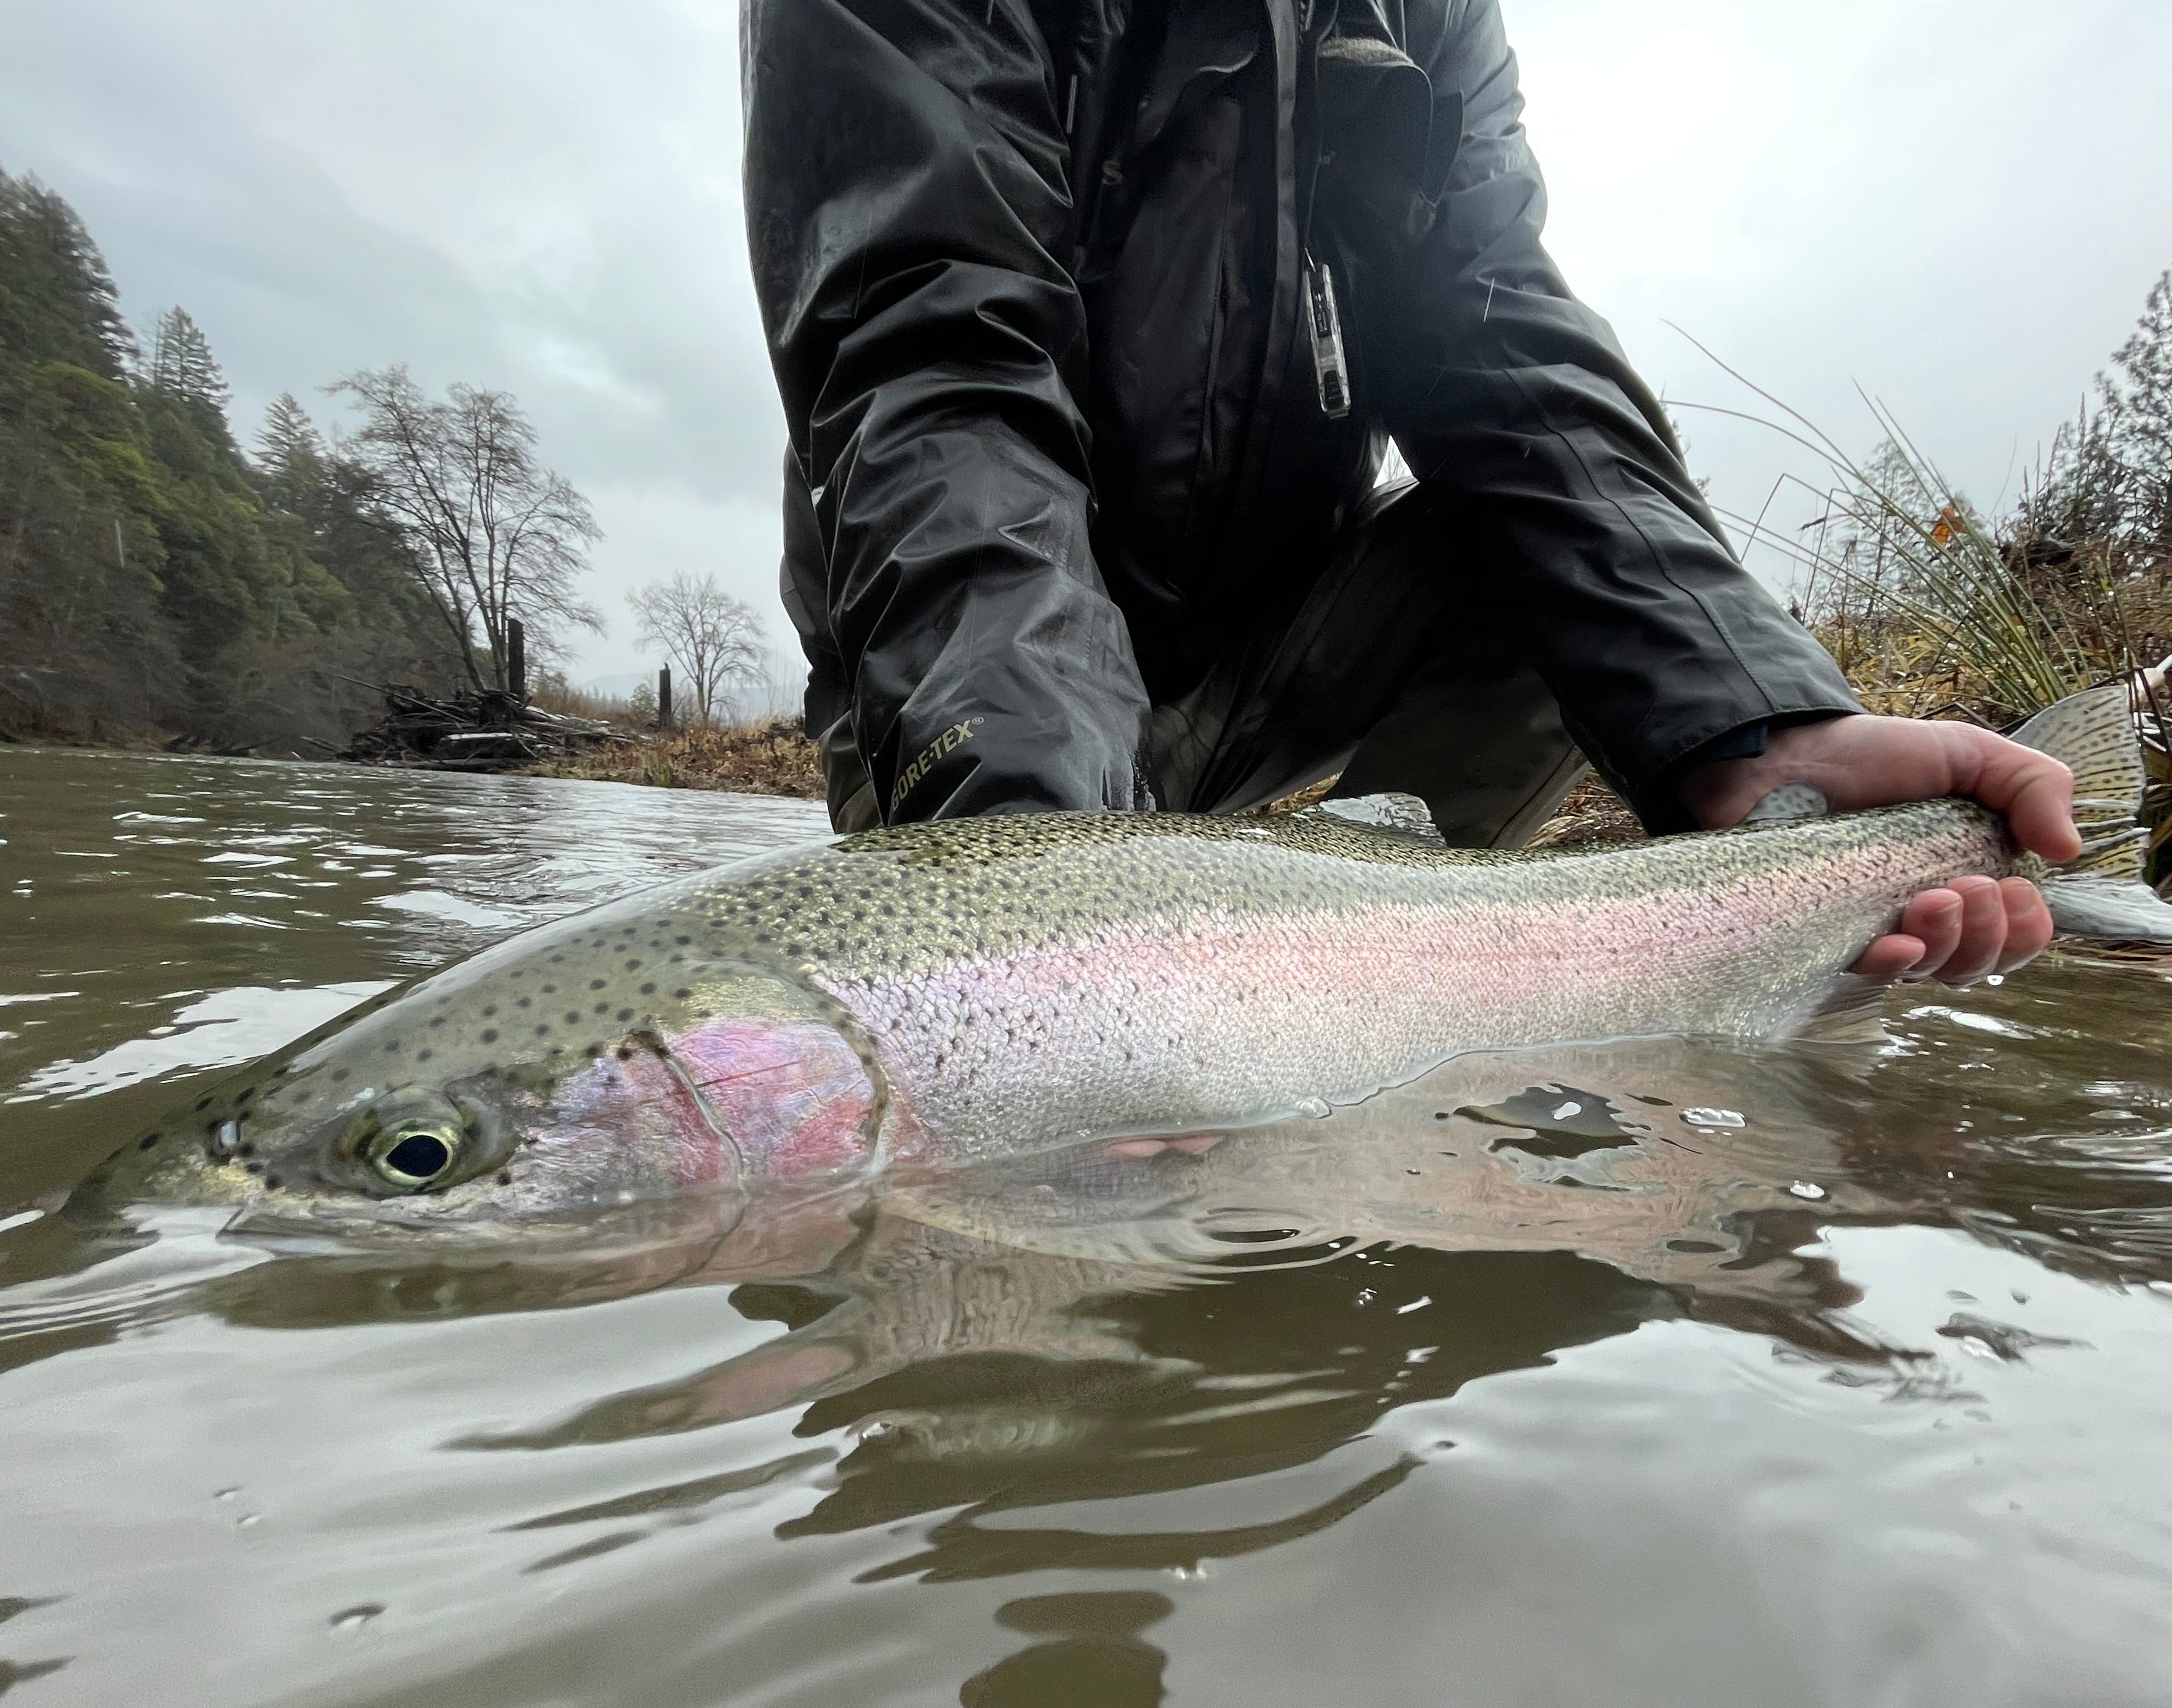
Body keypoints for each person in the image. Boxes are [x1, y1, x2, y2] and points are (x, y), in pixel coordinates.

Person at [740, 0, 2068, 986]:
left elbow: (1508, 364)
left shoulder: (1426, 19)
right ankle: (1151, 986)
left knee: (1537, 549)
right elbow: (935, 363)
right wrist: (1048, 895)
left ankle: (1403, 992)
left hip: (1265, 654)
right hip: (974, 708)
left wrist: (1754, 731)